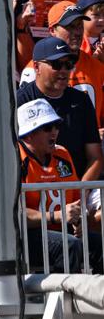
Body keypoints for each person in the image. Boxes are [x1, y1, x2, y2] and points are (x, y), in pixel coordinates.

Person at [17, 97, 103, 273]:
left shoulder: (62, 154)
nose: (54, 132)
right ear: (29, 133)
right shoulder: (14, 160)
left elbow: (73, 200)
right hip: (25, 235)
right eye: (47, 128)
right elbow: (14, 213)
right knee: (69, 245)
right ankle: (66, 297)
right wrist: (57, 216)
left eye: (57, 125)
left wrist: (78, 220)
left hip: (59, 230)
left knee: (99, 243)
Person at [15, 37, 103, 183]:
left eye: (68, 64)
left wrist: (80, 192)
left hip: (79, 186)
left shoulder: (81, 100)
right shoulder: (21, 101)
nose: (63, 71)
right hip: (34, 189)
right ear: (36, 67)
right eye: (56, 64)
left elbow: (95, 157)